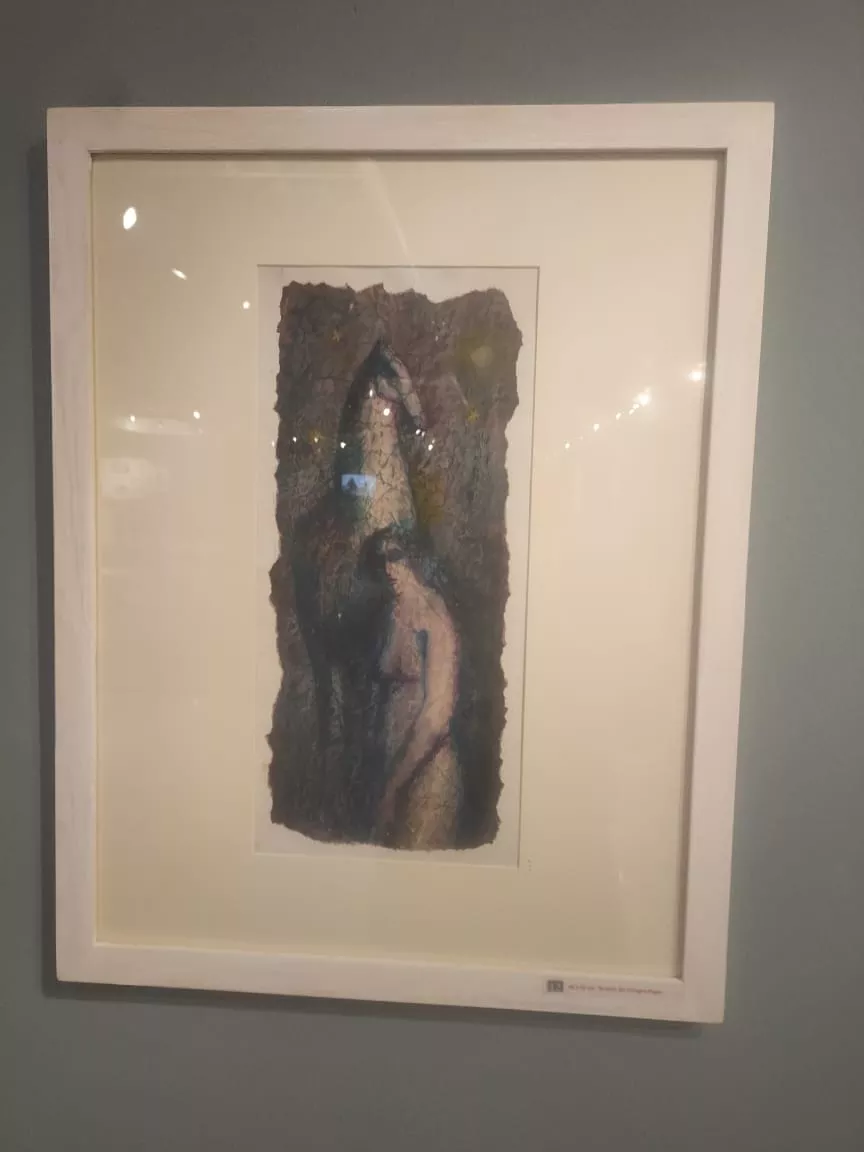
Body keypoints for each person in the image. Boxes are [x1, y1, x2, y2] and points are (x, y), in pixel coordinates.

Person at [365, 528, 462, 849]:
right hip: (390, 762)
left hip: (425, 768)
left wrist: (394, 787)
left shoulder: (433, 616)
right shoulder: (391, 613)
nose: (388, 568)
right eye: (382, 560)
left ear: (414, 558)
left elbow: (436, 715)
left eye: (396, 557)